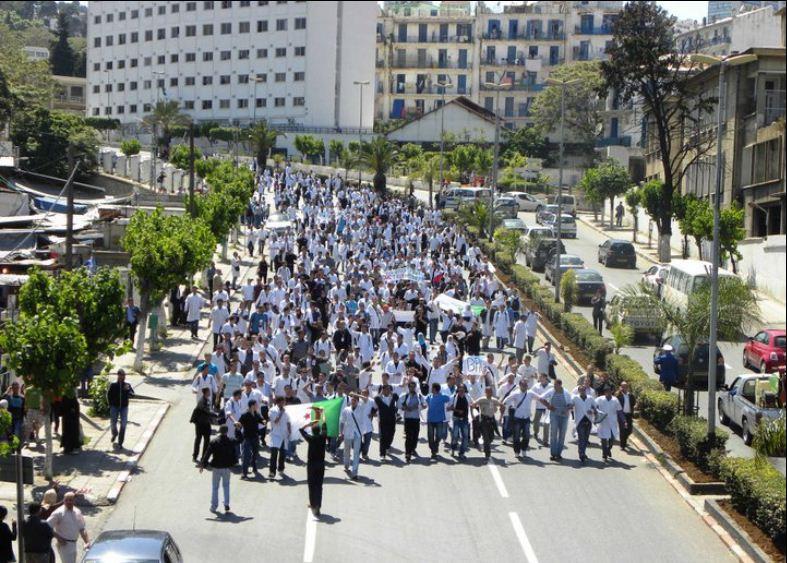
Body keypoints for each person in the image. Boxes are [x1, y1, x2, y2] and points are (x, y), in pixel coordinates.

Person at [200, 424, 237, 513]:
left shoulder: (214, 442)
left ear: (219, 431)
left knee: (215, 487)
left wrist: (203, 464)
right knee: (226, 486)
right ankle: (226, 504)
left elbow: (207, 454)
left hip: (216, 467)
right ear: (227, 431)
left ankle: (214, 506)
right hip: (227, 468)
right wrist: (238, 430)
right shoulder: (231, 441)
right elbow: (240, 440)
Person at [47, 492, 90, 563]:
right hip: (64, 545)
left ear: (74, 501)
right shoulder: (58, 513)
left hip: (74, 544)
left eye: (71, 500)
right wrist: (59, 538)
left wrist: (87, 542)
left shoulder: (77, 512)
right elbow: (47, 526)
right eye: (66, 500)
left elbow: (82, 529)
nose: (68, 502)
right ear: (63, 500)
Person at [538, 378, 573, 462]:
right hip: (554, 415)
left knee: (562, 435)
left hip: (564, 416)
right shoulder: (551, 391)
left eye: (556, 386)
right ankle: (553, 454)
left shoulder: (566, 393)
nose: (554, 387)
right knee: (553, 434)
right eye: (554, 385)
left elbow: (571, 405)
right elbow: (541, 398)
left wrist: (566, 409)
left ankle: (559, 453)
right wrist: (548, 405)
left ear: (560, 385)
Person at [503, 380, 539, 458]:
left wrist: (548, 405)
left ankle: (524, 449)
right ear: (520, 385)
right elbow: (506, 399)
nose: (525, 387)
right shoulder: (515, 393)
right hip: (517, 418)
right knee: (516, 436)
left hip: (526, 418)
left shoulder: (530, 393)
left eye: (526, 385)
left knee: (526, 435)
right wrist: (502, 405)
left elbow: (540, 398)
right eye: (523, 385)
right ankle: (517, 451)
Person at [300, 418, 328, 517]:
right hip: (321, 464)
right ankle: (318, 506)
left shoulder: (310, 439)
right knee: (319, 486)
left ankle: (313, 504)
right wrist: (324, 420)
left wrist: (308, 424)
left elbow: (301, 430)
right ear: (319, 431)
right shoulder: (323, 437)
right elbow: (325, 428)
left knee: (311, 485)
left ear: (312, 431)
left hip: (311, 464)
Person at [398, 380, 426, 464]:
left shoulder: (419, 396)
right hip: (408, 418)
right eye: (410, 386)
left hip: (416, 418)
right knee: (408, 436)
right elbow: (399, 405)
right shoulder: (404, 396)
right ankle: (408, 453)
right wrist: (406, 408)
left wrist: (418, 407)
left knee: (415, 436)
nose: (412, 388)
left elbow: (425, 405)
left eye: (414, 386)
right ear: (408, 387)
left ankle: (413, 448)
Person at [471, 386, 502, 462]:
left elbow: (501, 405)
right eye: (487, 392)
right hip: (484, 420)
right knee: (486, 439)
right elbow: (472, 405)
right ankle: (487, 454)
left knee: (491, 437)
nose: (489, 393)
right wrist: (472, 415)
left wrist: (501, 416)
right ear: (485, 392)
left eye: (490, 392)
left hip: (491, 421)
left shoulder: (494, 400)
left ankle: (486, 446)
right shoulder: (482, 399)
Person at [107, 369, 135, 449]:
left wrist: (128, 390)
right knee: (113, 423)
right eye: (121, 375)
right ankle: (114, 433)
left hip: (124, 407)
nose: (123, 377)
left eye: (124, 375)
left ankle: (120, 442)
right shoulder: (113, 385)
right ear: (118, 375)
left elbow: (133, 394)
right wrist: (110, 405)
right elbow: (108, 395)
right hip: (114, 407)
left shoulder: (127, 385)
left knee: (123, 424)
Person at [339, 395, 364, 480]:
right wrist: (341, 432)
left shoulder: (361, 409)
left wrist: (357, 394)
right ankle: (346, 464)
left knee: (356, 453)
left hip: (357, 433)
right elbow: (342, 421)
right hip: (347, 432)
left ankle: (354, 472)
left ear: (358, 401)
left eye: (355, 400)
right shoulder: (346, 410)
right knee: (347, 450)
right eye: (352, 400)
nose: (353, 402)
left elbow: (366, 399)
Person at [425, 383, 451, 460]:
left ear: (435, 389)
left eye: (432, 388)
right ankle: (433, 450)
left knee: (439, 435)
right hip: (430, 419)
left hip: (439, 420)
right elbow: (424, 401)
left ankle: (435, 447)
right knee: (430, 436)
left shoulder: (443, 397)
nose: (431, 389)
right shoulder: (429, 397)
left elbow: (450, 399)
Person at [571, 384, 596, 463]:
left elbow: (595, 408)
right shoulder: (575, 398)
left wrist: (592, 411)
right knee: (581, 438)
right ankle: (581, 453)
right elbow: (570, 404)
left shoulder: (590, 398)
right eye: (580, 390)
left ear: (586, 391)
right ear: (578, 391)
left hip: (588, 420)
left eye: (583, 390)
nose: (582, 391)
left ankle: (583, 452)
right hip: (580, 421)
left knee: (586, 438)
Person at [239, 399, 264, 478]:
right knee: (246, 455)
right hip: (247, 438)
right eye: (256, 404)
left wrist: (264, 421)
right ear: (252, 406)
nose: (257, 406)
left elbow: (261, 420)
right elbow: (239, 423)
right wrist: (237, 425)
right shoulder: (245, 415)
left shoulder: (256, 414)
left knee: (255, 454)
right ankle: (244, 473)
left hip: (255, 437)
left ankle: (254, 468)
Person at [372, 384, 398, 460]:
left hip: (392, 419)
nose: (387, 391)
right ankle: (382, 454)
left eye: (389, 389)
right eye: (386, 389)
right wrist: (372, 413)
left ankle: (387, 446)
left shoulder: (394, 397)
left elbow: (399, 404)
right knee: (383, 437)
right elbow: (374, 407)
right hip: (382, 420)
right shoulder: (378, 398)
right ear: (382, 390)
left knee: (391, 434)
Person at [268, 396, 291, 479]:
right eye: (282, 402)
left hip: (284, 435)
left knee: (282, 454)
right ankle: (272, 472)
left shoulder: (286, 411)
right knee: (274, 455)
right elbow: (275, 422)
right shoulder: (272, 410)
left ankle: (281, 468)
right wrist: (281, 412)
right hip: (275, 435)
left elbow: (288, 421)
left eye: (284, 402)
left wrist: (289, 430)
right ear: (278, 402)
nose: (283, 403)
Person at [190, 388, 214, 463]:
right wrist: (215, 415)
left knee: (207, 441)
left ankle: (204, 458)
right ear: (205, 392)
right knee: (198, 440)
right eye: (208, 391)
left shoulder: (207, 400)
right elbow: (206, 410)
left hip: (206, 423)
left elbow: (209, 410)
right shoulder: (202, 401)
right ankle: (195, 456)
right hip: (200, 424)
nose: (210, 392)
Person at [449, 384, 471, 459]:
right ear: (457, 390)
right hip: (456, 419)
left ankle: (461, 453)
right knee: (455, 436)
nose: (461, 392)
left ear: (465, 390)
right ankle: (453, 448)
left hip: (465, 419)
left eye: (463, 390)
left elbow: (472, 404)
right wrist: (457, 410)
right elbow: (448, 408)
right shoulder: (453, 397)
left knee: (465, 437)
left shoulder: (468, 397)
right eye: (460, 390)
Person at [617, 381, 636, 450]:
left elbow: (633, 404)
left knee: (629, 430)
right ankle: (622, 445)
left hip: (629, 415)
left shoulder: (630, 396)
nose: (624, 388)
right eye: (623, 386)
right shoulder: (618, 396)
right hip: (622, 415)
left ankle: (624, 439)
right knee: (623, 430)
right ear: (621, 387)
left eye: (626, 386)